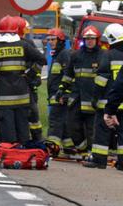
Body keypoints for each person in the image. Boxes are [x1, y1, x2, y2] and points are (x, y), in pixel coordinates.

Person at [0, 15, 46, 144]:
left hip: (4, 97)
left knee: (7, 130)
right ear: (16, 31)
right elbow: (42, 59)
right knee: (23, 128)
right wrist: (30, 74)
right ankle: (23, 153)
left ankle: (10, 154)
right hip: (22, 95)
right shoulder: (24, 46)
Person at [59, 25, 105, 155]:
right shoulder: (76, 55)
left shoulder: (102, 56)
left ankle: (91, 154)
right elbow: (68, 74)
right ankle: (83, 150)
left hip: (93, 99)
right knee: (72, 126)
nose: (89, 41)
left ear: (97, 40)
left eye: (92, 38)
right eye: (87, 38)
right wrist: (61, 89)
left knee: (92, 129)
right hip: (77, 98)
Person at [83, 23, 123, 169]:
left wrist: (94, 97)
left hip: (108, 101)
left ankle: (99, 160)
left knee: (101, 131)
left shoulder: (108, 55)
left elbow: (101, 80)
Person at [45, 28, 75, 156]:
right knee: (63, 123)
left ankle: (52, 147)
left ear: (61, 41)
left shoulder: (64, 54)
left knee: (55, 121)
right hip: (55, 96)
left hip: (60, 96)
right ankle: (70, 148)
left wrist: (65, 94)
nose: (50, 42)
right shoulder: (57, 55)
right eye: (49, 39)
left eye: (53, 39)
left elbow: (70, 76)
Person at [15, 16, 43, 141]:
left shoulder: (28, 44)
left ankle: (37, 140)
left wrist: (31, 75)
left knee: (32, 114)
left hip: (28, 86)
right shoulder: (7, 44)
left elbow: (39, 62)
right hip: (13, 86)